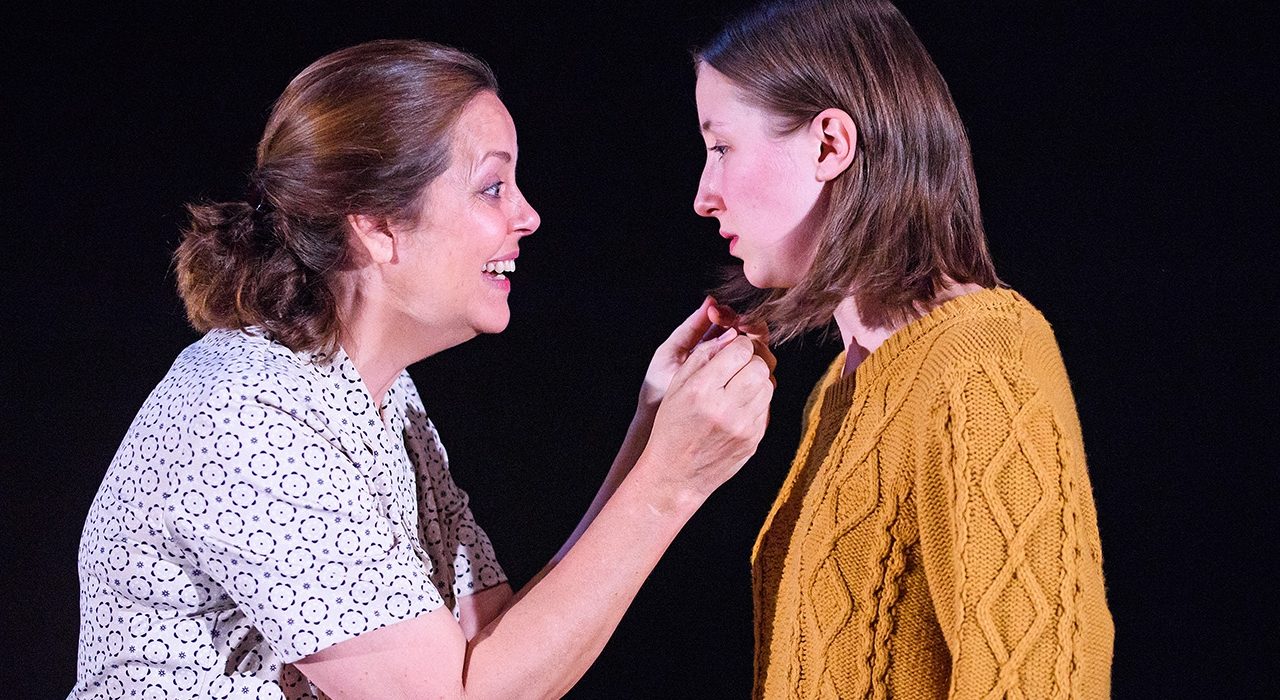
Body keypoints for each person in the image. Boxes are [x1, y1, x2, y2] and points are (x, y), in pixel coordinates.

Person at [71, 39, 775, 699]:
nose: (527, 215)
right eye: (492, 187)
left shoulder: (382, 402)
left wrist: (652, 436)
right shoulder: (246, 413)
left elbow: (498, 646)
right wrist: (670, 481)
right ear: (376, 224)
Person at [690, 1, 1115, 697]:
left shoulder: (983, 364)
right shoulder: (845, 382)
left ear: (829, 144)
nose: (705, 194)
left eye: (721, 147)